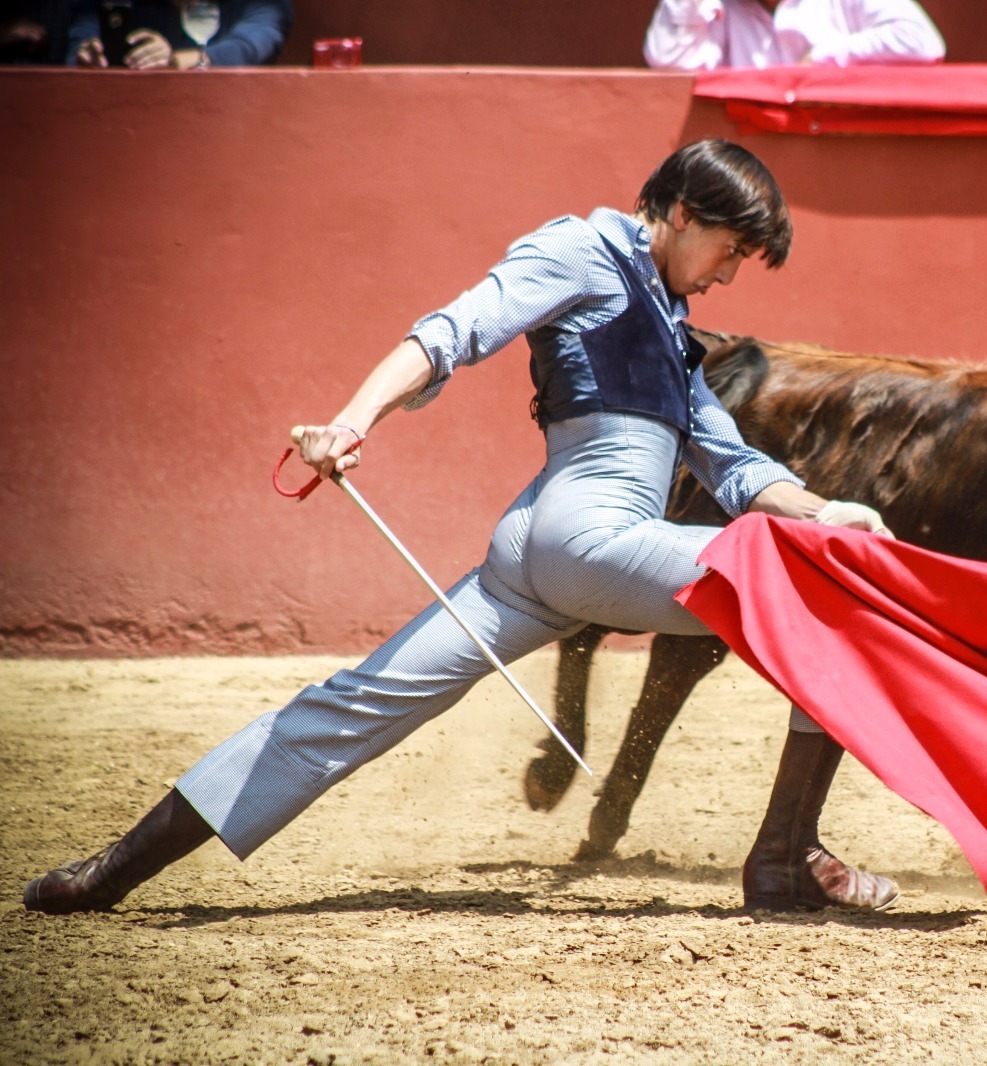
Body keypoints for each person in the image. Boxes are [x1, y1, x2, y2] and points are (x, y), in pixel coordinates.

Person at [23, 139, 900, 917]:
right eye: (730, 250)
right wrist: (353, 419)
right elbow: (453, 331)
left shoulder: (668, 321)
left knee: (352, 705)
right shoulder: (583, 250)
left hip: (536, 555)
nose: (728, 275)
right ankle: (785, 859)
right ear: (681, 211)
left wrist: (829, 513)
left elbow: (733, 465)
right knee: (825, 595)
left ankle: (106, 875)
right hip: (588, 538)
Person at [644, 0, 944, 71]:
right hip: (748, 174)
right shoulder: (722, 6)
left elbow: (922, 42)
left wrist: (824, 57)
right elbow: (668, 58)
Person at [67, 0, 290, 69]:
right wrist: (88, 57)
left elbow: (252, 45)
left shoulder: (259, 4)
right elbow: (82, 37)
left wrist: (176, 62)